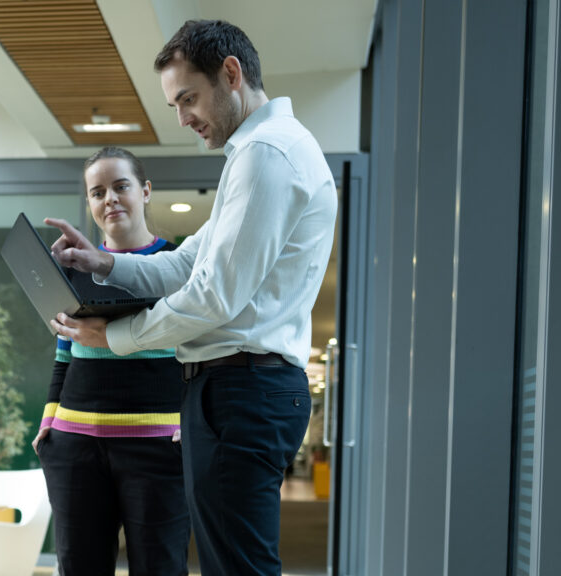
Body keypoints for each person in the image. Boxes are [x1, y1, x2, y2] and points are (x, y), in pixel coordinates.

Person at [44, 20, 337, 576]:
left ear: (231, 74)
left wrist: (118, 337)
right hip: (234, 390)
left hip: (243, 390)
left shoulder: (267, 155)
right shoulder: (253, 155)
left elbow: (213, 296)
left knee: (237, 567)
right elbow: (184, 263)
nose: (181, 119)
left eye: (188, 99)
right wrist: (102, 262)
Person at [33, 147, 190, 576]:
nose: (110, 199)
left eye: (121, 187)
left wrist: (188, 424)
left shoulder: (178, 267)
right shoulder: (73, 268)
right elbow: (64, 352)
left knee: (160, 568)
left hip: (158, 445)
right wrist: (48, 422)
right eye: (97, 192)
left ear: (145, 191)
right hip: (74, 444)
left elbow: (197, 351)